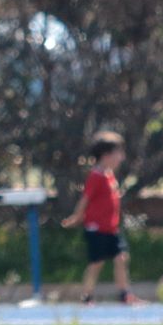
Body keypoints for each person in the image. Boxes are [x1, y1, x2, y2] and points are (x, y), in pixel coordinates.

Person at [60, 131, 141, 305]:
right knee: (96, 263)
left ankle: (125, 294)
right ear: (106, 155)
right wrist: (76, 217)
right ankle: (87, 296)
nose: (122, 157)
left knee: (121, 258)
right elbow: (85, 199)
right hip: (96, 228)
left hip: (112, 228)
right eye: (118, 153)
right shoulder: (96, 176)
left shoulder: (110, 175)